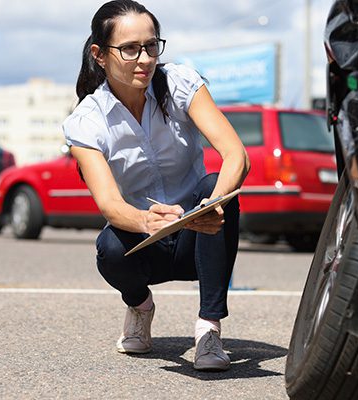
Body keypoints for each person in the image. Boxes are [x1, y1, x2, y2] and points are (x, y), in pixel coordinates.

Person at [62, 0, 249, 371]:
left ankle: (209, 329)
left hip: (201, 234)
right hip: (145, 238)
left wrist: (210, 206)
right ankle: (140, 306)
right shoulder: (85, 122)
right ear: (100, 55)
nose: (145, 59)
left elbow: (236, 155)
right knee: (109, 248)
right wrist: (148, 221)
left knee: (217, 186)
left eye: (151, 46)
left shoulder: (179, 82)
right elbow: (109, 204)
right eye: (130, 49)